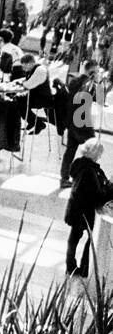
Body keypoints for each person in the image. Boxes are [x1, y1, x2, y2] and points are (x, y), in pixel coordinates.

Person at [64, 139, 113, 277]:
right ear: (95, 153)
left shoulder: (79, 165)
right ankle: (84, 266)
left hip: (75, 209)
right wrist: (110, 188)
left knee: (74, 238)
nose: (100, 156)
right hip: (85, 212)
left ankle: (70, 265)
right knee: (90, 239)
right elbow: (97, 195)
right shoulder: (90, 171)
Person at [60, 58, 101, 187]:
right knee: (94, 150)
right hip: (83, 124)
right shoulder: (91, 85)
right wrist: (99, 82)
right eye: (97, 71)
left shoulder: (74, 81)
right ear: (92, 72)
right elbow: (100, 100)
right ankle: (88, 180)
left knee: (70, 151)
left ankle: (64, 178)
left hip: (71, 121)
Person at [16, 51, 51, 135]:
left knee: (19, 103)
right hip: (36, 95)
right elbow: (27, 80)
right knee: (17, 100)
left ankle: (39, 123)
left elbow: (29, 85)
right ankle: (32, 122)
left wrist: (20, 83)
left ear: (31, 63)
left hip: (43, 98)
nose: (24, 69)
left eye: (25, 66)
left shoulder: (40, 70)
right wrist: (19, 82)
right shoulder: (33, 69)